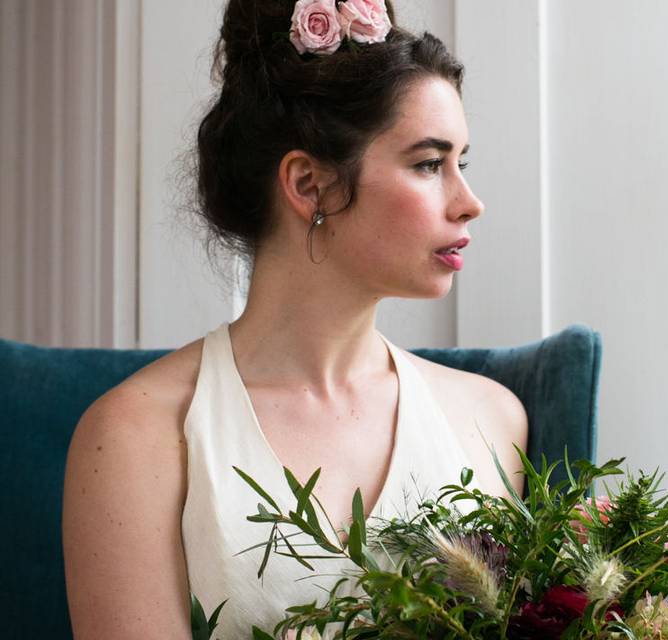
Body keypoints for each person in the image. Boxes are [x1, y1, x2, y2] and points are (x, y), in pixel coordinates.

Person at [62, 0, 528, 637]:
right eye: (427, 164)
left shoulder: (490, 421)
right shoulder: (134, 437)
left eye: (461, 164)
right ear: (309, 185)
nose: (469, 202)